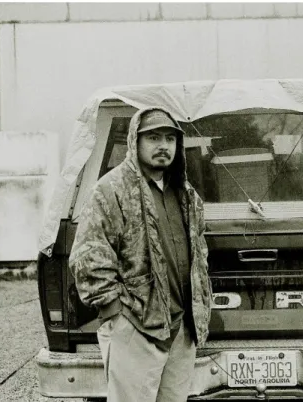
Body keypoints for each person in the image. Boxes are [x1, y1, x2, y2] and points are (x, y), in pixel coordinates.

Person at [69, 108, 212, 402]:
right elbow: (88, 256)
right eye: (154, 137)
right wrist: (116, 313)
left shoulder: (186, 195)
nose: (163, 146)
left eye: (170, 138)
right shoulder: (110, 191)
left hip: (180, 330)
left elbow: (200, 254)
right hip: (135, 327)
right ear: (135, 140)